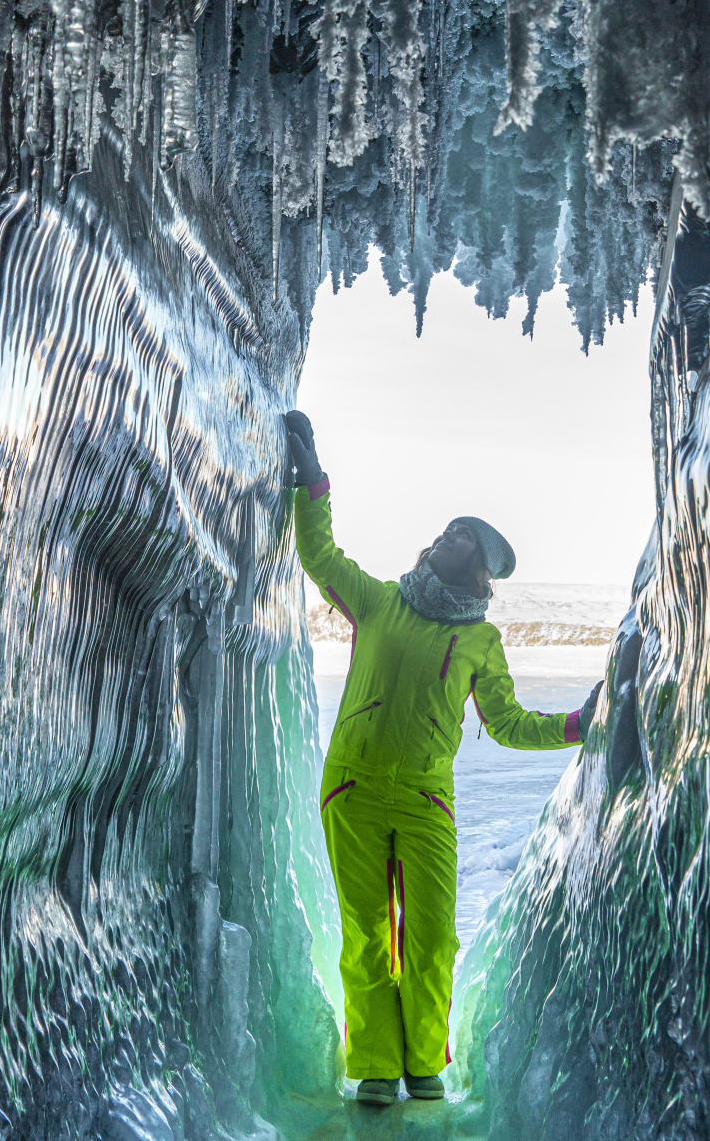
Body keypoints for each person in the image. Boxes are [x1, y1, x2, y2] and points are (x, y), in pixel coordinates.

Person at [283, 410, 603, 1107]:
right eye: (449, 531)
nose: (449, 538)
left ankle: (424, 1062)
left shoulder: (482, 642)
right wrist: (313, 483)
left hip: (428, 802)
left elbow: (509, 724)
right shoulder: (380, 602)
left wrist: (580, 722)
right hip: (354, 788)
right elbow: (322, 557)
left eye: (467, 539)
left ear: (484, 571)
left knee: (429, 942)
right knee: (367, 937)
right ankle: (373, 1067)